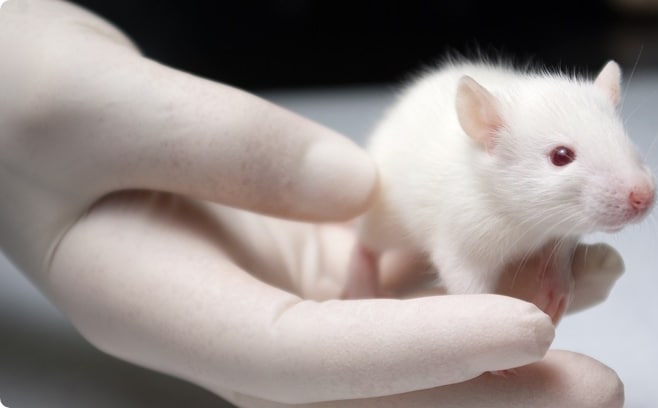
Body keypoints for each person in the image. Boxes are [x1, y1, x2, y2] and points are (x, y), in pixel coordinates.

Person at [0, 1, 625, 407]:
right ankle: (362, 255)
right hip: (197, 37)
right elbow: (461, 256)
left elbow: (568, 203)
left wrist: (557, 260)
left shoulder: (550, 115)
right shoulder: (478, 177)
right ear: (486, 133)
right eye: (564, 160)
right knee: (382, 224)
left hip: (534, 27)